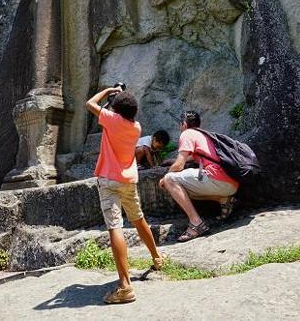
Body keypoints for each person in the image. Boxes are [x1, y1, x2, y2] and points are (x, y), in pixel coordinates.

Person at [86, 87, 163, 304]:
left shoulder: (111, 120)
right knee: (138, 219)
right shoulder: (136, 127)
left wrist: (109, 90)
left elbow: (90, 103)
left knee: (115, 227)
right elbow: (117, 114)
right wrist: (118, 99)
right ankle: (157, 258)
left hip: (108, 181)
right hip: (128, 180)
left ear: (116, 109)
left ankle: (125, 286)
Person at [159, 111, 239, 242]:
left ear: (184, 124)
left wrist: (164, 177)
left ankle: (196, 223)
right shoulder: (203, 134)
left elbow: (179, 165)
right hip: (231, 184)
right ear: (199, 124)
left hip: (217, 179)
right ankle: (224, 199)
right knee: (185, 191)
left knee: (170, 180)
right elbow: (191, 158)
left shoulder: (187, 133)